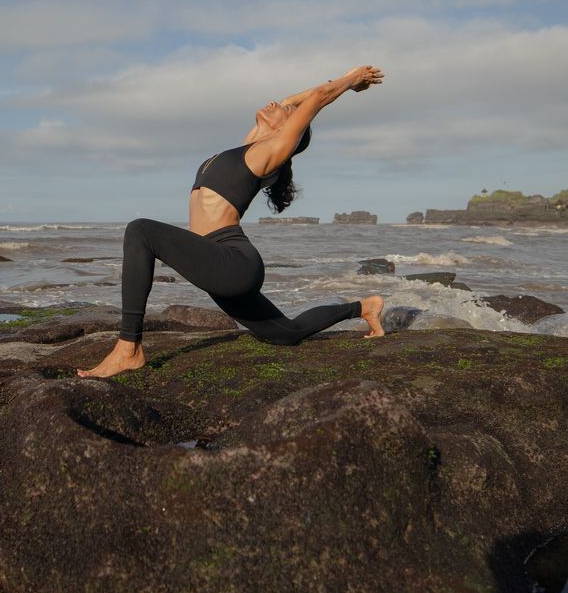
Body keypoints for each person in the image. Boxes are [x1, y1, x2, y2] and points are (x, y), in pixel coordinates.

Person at [77, 65, 386, 378]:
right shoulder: (251, 145)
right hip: (216, 260)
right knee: (284, 333)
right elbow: (295, 99)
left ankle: (128, 349)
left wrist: (351, 80)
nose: (278, 103)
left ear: (289, 129)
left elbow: (316, 98)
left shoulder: (273, 152)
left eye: (287, 110)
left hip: (233, 263)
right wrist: (315, 93)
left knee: (140, 230)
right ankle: (364, 307)